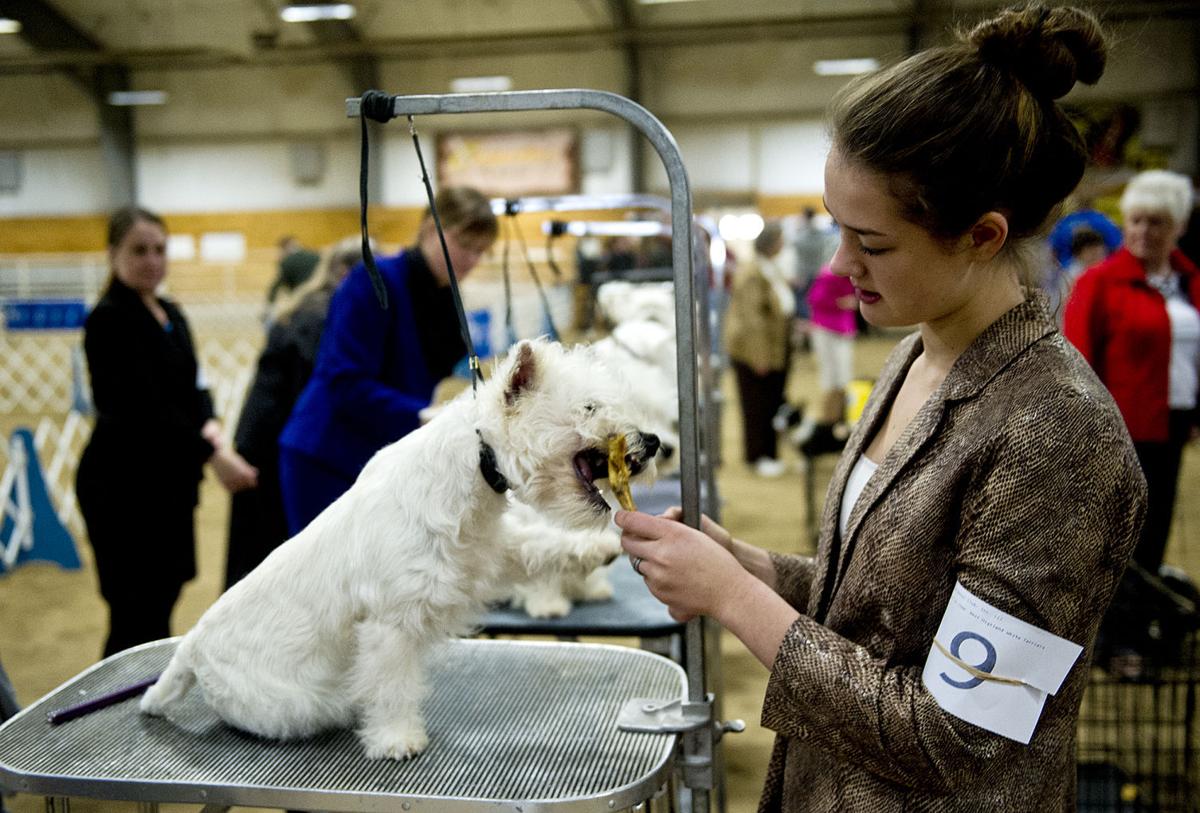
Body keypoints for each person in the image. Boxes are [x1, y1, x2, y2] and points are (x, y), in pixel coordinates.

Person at [617, 6, 1147, 810]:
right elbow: (885, 612)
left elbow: (958, 737)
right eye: (837, 229)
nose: (841, 263)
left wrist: (733, 597)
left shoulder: (1058, 431)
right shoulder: (915, 353)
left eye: (875, 243)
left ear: (981, 235)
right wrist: (753, 566)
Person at [76, 207, 258, 657]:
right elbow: (141, 409)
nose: (152, 260)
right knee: (134, 615)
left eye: (159, 250)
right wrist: (212, 452)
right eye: (139, 250)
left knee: (164, 598)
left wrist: (211, 423)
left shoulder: (171, 312)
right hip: (122, 488)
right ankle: (113, 710)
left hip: (170, 485)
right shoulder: (108, 320)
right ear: (113, 254)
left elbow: (194, 386)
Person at [278, 187, 498, 534]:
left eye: (480, 252)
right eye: (463, 245)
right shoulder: (374, 279)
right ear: (430, 229)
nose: (471, 260)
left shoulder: (447, 300)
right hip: (328, 456)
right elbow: (344, 381)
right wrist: (421, 415)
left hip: (382, 459)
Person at [1064, 169, 1199, 575]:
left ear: (1178, 226)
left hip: (1174, 422)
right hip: (1119, 426)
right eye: (1136, 219)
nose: (1142, 230)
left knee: (1157, 523)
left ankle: (1144, 620)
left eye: (1155, 221)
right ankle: (1117, 623)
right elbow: (1077, 361)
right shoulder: (1099, 283)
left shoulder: (1189, 280)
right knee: (1117, 531)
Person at [224, 236, 367, 589]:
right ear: (345, 272)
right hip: (271, 454)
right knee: (265, 572)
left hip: (269, 445)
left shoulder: (311, 308)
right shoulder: (322, 315)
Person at [724, 220, 794, 478]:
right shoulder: (753, 272)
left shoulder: (768, 268)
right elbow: (751, 319)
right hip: (758, 352)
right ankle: (759, 455)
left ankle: (771, 452)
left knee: (773, 402)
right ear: (771, 243)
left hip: (775, 348)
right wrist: (759, 357)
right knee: (757, 405)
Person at [801, 262, 858, 455]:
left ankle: (836, 424)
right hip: (826, 328)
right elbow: (814, 299)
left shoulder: (851, 275)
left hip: (842, 328)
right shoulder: (828, 275)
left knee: (842, 380)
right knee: (830, 380)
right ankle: (826, 425)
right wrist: (839, 302)